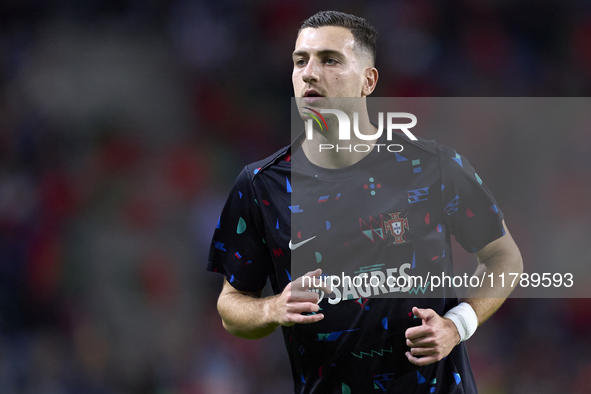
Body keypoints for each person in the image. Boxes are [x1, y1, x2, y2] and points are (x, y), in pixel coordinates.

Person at [208, 10, 522, 393]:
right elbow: (231, 307)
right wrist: (271, 309)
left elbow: (504, 257)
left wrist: (458, 324)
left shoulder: (433, 166)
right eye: (300, 60)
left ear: (367, 81)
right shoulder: (260, 185)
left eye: (330, 60)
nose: (309, 73)